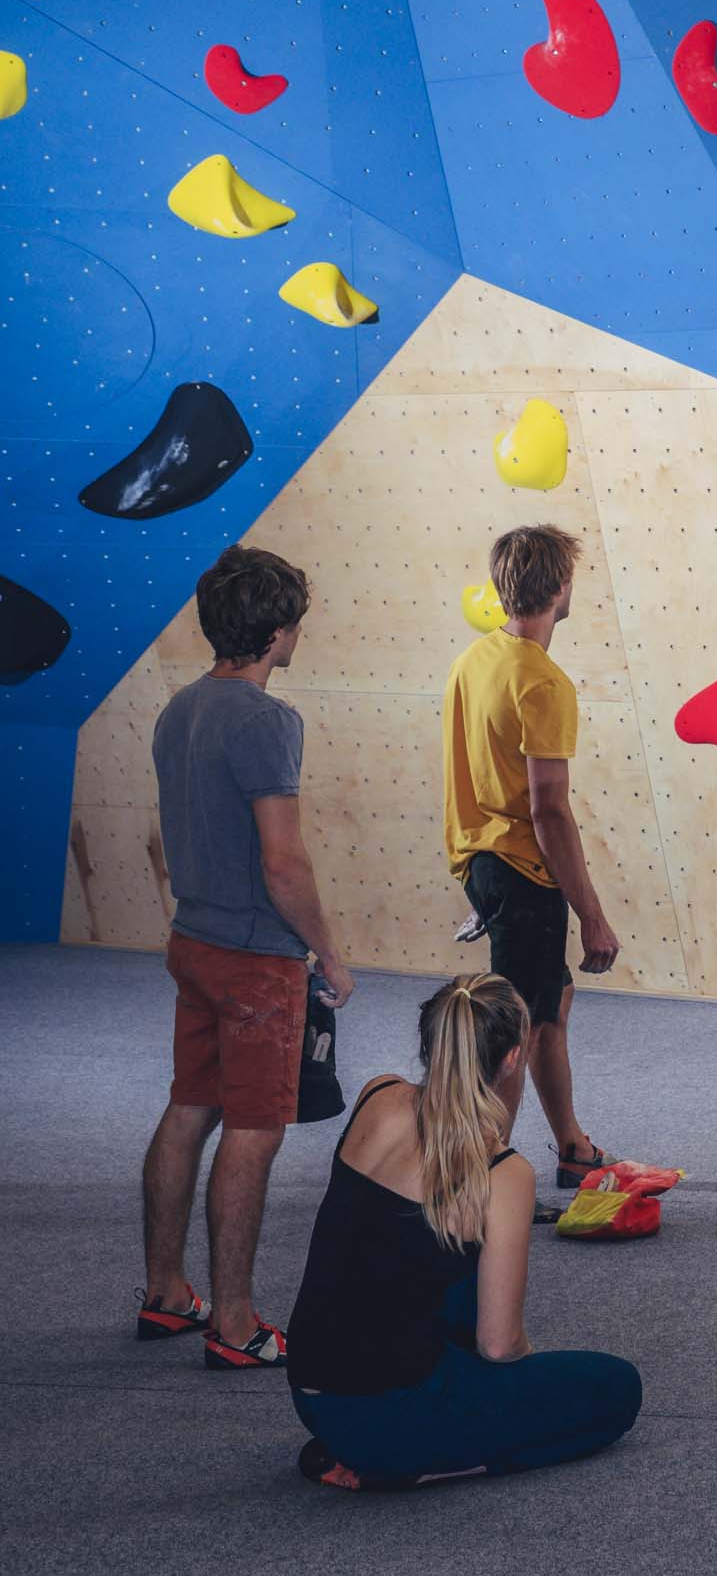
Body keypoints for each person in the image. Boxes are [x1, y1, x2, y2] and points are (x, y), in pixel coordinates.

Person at [288, 974, 642, 1489]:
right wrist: (520, 1378)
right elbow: (499, 1346)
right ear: (512, 1058)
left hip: (310, 1390)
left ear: (430, 1040)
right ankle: (411, 1466)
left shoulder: (377, 1094)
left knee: (442, 1256)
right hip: (387, 1422)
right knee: (617, 1388)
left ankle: (375, 1443)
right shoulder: (502, 1172)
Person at [139, 546, 355, 1370]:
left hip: (193, 941)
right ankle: (234, 1324)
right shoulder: (268, 721)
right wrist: (328, 954)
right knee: (254, 1132)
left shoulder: (179, 710)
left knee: (189, 1109)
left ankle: (166, 1292)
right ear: (277, 630)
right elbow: (284, 864)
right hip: (256, 961)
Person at [442, 524, 642, 1221]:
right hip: (522, 868)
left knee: (551, 1005)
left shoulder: (476, 659)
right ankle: (484, 1179)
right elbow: (549, 809)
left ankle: (572, 1147)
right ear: (559, 588)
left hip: (483, 860)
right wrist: (592, 914)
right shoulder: (542, 682)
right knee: (516, 1029)